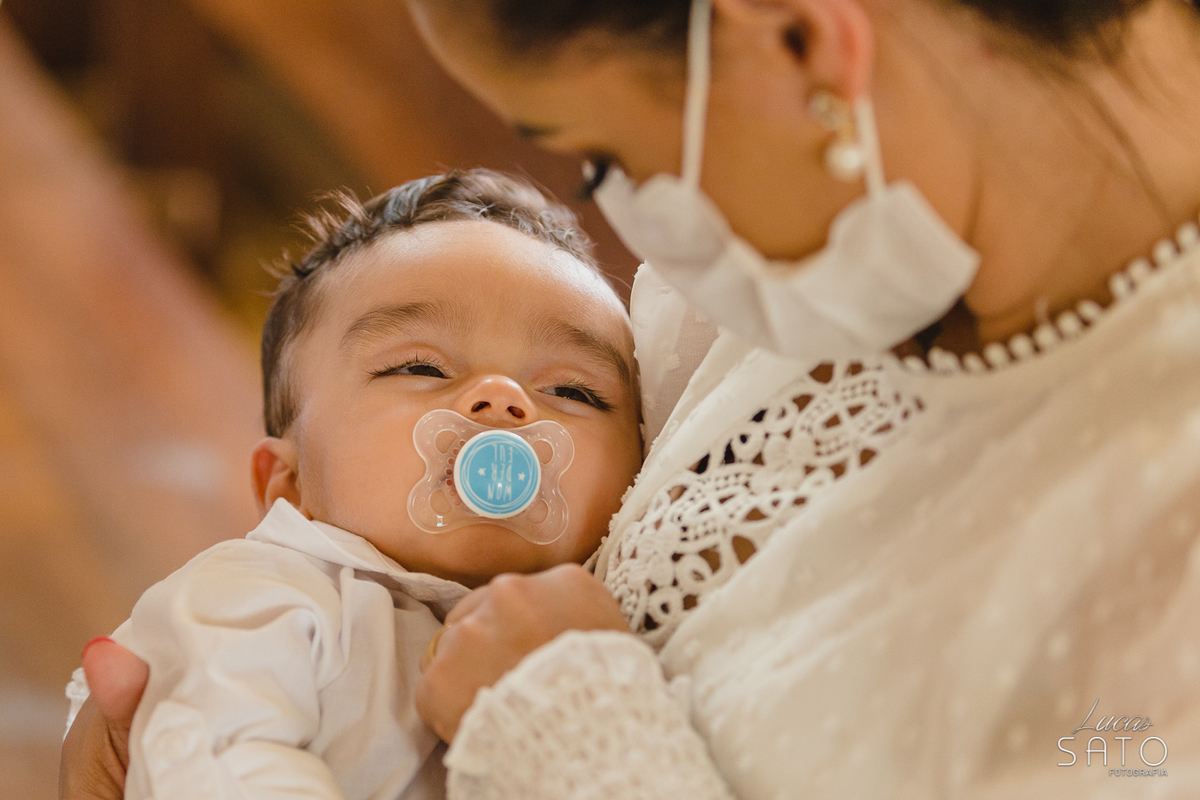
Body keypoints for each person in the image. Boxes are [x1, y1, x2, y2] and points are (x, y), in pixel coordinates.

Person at [63, 0, 1200, 797]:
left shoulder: (1151, 625)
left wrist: (572, 719)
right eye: (419, 366)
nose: (509, 410)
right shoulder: (793, 280)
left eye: (599, 154)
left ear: (799, 39)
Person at [60, 169, 641, 800]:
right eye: (420, 367)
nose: (504, 401)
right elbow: (221, 757)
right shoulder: (267, 603)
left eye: (573, 391)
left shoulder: (619, 639)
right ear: (290, 483)